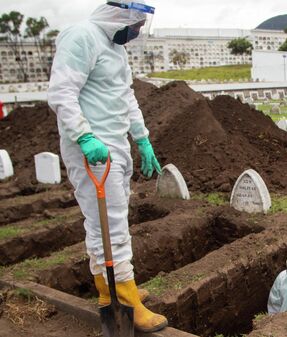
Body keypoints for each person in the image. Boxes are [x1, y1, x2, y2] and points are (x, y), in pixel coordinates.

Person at [47, 1, 166, 332]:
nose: (137, 31)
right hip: (93, 149)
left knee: (110, 221)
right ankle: (125, 298)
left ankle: (111, 288)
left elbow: (125, 97)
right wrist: (85, 137)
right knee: (108, 224)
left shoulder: (116, 50)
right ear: (122, 14)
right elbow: (61, 93)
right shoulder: (81, 36)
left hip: (115, 144)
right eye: (136, 25)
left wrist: (141, 139)